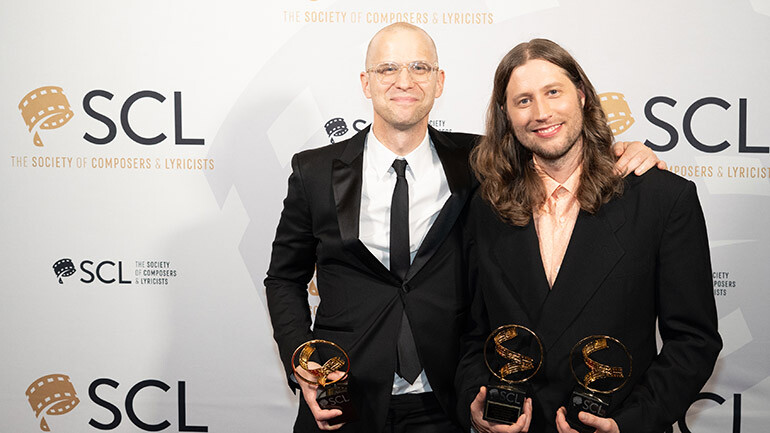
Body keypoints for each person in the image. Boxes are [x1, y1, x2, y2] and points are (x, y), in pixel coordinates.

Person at [265, 24, 661, 433]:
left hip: (449, 401)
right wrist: (301, 361)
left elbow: (557, 147)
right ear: (366, 83)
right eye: (388, 69)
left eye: (419, 67)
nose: (404, 81)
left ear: (439, 81)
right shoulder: (314, 171)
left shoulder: (481, 162)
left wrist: (626, 152)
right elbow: (283, 279)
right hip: (342, 397)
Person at [455, 39, 721, 433]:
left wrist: (627, 424)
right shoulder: (486, 206)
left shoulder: (662, 199)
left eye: (553, 92)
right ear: (505, 115)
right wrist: (474, 406)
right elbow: (473, 334)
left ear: (581, 95)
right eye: (523, 100)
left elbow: (693, 342)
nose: (541, 112)